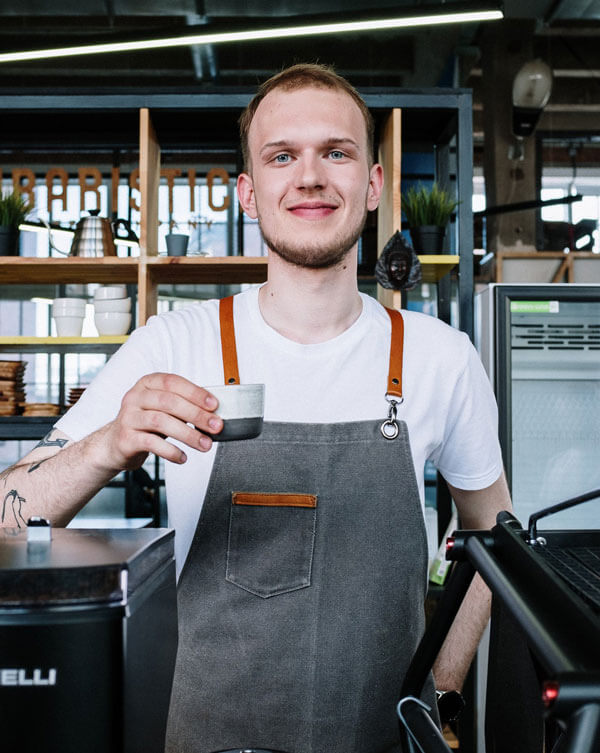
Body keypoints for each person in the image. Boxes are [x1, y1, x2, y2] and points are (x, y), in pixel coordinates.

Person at [0, 63, 511, 753]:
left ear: (374, 185)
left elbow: (496, 541)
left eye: (336, 152)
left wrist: (439, 694)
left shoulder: (439, 358)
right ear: (248, 192)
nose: (310, 176)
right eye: (281, 156)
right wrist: (107, 443)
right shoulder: (173, 345)